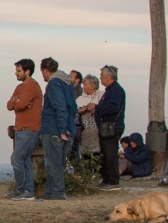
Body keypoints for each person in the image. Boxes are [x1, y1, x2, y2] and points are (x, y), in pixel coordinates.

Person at [40, 58, 76, 201]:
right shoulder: (67, 83)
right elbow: (71, 107)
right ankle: (50, 192)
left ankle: (57, 192)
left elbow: (59, 106)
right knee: (57, 161)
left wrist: (62, 129)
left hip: (54, 128)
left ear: (45, 70)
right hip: (66, 126)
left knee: (53, 162)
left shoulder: (54, 83)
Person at [7, 58, 43, 200]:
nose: (16, 73)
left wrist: (18, 102)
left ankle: (21, 189)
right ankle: (28, 190)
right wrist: (17, 102)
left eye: (19, 70)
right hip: (20, 128)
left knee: (16, 158)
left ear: (27, 71)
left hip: (30, 128)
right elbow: (10, 105)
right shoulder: (19, 87)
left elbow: (20, 105)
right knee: (25, 159)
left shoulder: (32, 86)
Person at [94, 66, 126, 190]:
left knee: (110, 153)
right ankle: (107, 179)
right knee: (106, 154)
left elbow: (114, 107)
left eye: (101, 74)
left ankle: (113, 181)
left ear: (109, 76)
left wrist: (97, 108)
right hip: (107, 127)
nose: (100, 77)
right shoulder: (110, 90)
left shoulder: (116, 90)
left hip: (112, 127)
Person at [75, 74, 101, 159]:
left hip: (98, 133)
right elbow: (74, 112)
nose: (83, 87)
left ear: (93, 85)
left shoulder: (101, 95)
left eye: (86, 85)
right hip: (84, 132)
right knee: (86, 157)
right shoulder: (80, 99)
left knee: (97, 157)